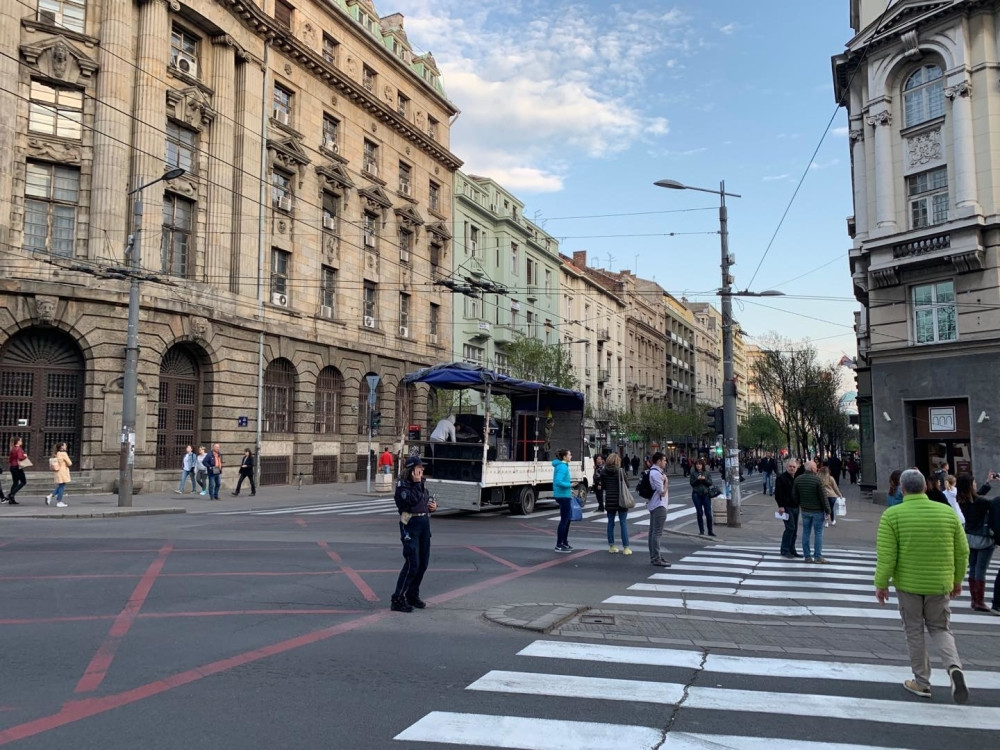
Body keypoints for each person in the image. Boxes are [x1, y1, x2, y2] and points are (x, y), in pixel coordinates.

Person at [874, 468, 970, 703]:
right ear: (926, 487)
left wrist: (881, 584)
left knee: (914, 630)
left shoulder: (892, 515)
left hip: (908, 583)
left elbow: (887, 555)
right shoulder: (947, 513)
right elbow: (962, 551)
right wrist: (957, 580)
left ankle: (922, 681)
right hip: (939, 583)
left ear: (902, 488)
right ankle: (953, 667)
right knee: (941, 628)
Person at [391, 456, 437, 612]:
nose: (422, 470)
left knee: (423, 563)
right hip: (410, 526)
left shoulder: (421, 484)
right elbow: (410, 502)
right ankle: (397, 598)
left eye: (422, 468)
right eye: (419, 468)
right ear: (411, 470)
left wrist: (432, 506)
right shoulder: (403, 486)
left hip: (424, 525)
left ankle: (412, 594)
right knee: (413, 563)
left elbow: (423, 500)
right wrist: (417, 483)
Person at [955, 473, 995, 613]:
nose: (975, 484)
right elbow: (994, 503)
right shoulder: (982, 503)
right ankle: (980, 601)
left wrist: (987, 483)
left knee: (972, 567)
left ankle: (974, 600)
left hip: (968, 537)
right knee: (981, 569)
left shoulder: (960, 500)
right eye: (974, 483)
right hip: (983, 539)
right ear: (970, 485)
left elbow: (976, 496)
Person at [793, 460, 829, 563]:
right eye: (816, 467)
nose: (817, 468)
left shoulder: (798, 479)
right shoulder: (817, 480)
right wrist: (828, 511)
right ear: (813, 469)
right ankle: (818, 556)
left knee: (806, 533)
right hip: (818, 511)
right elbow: (823, 497)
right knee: (818, 533)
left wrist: (800, 504)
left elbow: (795, 496)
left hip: (805, 510)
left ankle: (807, 556)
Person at [602, 453, 631, 554]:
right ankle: (626, 547)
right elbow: (627, 485)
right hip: (621, 499)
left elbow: (603, 486)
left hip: (610, 500)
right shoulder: (620, 471)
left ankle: (612, 545)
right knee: (623, 522)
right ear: (618, 461)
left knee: (610, 523)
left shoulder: (603, 472)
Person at [647, 452, 670, 568]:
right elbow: (662, 491)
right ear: (658, 461)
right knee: (656, 533)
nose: (665, 463)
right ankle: (656, 557)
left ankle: (655, 556)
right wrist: (666, 482)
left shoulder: (654, 472)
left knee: (653, 532)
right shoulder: (656, 474)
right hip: (659, 505)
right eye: (664, 460)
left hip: (654, 504)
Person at [775, 458, 800, 558]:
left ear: (796, 468)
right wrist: (781, 506)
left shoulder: (797, 478)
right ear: (786, 467)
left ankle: (792, 549)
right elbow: (778, 494)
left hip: (796, 506)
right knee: (790, 528)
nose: (792, 468)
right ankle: (785, 550)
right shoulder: (781, 478)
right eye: (790, 466)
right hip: (786, 507)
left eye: (794, 467)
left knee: (795, 530)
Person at [552, 449, 574, 553]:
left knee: (567, 519)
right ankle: (559, 544)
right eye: (569, 455)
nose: (571, 456)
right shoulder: (562, 467)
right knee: (565, 520)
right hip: (563, 495)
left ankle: (564, 542)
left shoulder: (562, 466)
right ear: (564, 457)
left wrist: (570, 489)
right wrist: (570, 485)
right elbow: (558, 481)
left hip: (564, 494)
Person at [689, 458, 715, 537]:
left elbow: (710, 483)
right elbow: (692, 483)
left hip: (706, 494)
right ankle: (701, 531)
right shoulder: (693, 473)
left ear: (702, 465)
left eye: (700, 464)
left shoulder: (706, 473)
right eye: (697, 464)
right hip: (696, 494)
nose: (698, 466)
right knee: (699, 512)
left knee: (708, 513)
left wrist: (704, 480)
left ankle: (710, 531)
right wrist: (697, 479)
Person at [46, 442, 72, 508]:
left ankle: (50, 496)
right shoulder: (64, 454)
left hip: (58, 471)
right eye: (65, 445)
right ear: (62, 447)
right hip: (63, 471)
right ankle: (59, 501)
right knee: (62, 487)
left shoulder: (57, 453)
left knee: (61, 485)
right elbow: (69, 463)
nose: (66, 446)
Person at [5, 437, 29, 505]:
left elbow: (10, 459)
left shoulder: (13, 449)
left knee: (15, 482)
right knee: (23, 482)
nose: (22, 442)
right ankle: (11, 495)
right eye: (20, 440)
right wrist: (25, 456)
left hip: (12, 466)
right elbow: (20, 457)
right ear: (18, 442)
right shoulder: (19, 449)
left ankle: (11, 500)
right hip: (17, 467)